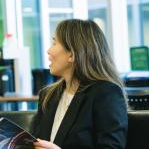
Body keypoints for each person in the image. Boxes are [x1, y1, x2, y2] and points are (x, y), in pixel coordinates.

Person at [31, 19, 128, 149]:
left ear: (72, 54)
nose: (48, 50)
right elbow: (34, 141)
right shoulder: (48, 95)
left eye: (54, 43)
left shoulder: (106, 93)